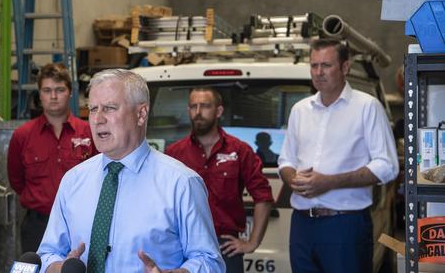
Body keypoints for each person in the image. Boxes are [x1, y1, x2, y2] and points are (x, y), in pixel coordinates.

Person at [38, 69, 225, 273]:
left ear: (141, 114)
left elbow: (209, 261)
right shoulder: (73, 180)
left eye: (109, 108)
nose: (97, 119)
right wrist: (60, 268)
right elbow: (47, 253)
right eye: (92, 109)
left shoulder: (181, 183)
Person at [278, 39, 399, 273]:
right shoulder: (300, 110)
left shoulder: (367, 107)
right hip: (302, 225)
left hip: (345, 225)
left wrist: (330, 182)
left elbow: (387, 166)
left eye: (326, 65)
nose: (318, 72)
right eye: (314, 66)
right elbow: (286, 160)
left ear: (345, 68)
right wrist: (292, 179)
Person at [166, 87, 273, 272]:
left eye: (205, 106)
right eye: (193, 106)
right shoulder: (174, 153)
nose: (198, 112)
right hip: (183, 246)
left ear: (219, 111)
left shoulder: (240, 150)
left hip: (224, 246)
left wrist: (252, 242)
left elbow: (263, 197)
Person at [7, 63, 97, 253]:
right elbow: (16, 181)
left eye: (60, 90)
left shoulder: (89, 132)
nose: (53, 96)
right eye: (47, 90)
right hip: (38, 225)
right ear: (40, 95)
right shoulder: (22, 136)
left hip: (82, 223)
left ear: (70, 92)